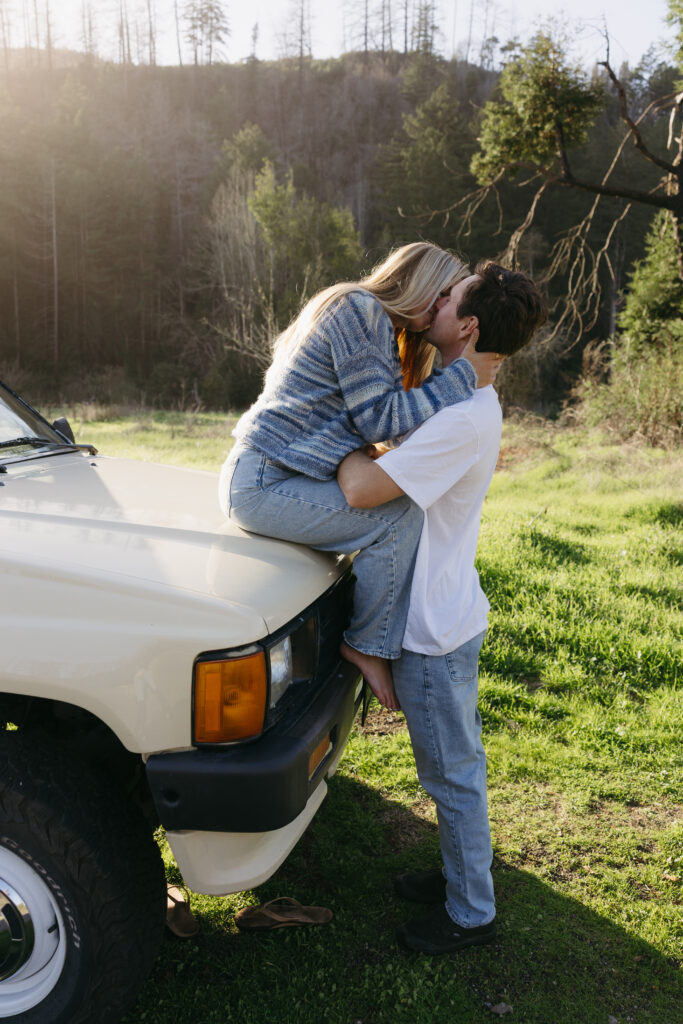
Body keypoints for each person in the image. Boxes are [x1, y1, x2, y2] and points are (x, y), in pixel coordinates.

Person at [337, 261, 547, 954]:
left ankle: (471, 914)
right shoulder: (460, 403)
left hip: (433, 627)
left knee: (452, 778)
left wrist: (329, 441)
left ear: (470, 326)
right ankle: (460, 876)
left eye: (448, 298)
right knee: (454, 771)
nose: (436, 304)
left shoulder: (461, 418)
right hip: (443, 611)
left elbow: (366, 489)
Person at [219, 243, 501, 710]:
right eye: (445, 293)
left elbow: (386, 421)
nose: (442, 308)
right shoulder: (360, 309)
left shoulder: (370, 319)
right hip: (263, 480)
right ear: (421, 281)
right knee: (394, 518)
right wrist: (461, 378)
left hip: (275, 473)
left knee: (390, 510)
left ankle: (359, 638)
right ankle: (366, 646)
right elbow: (378, 418)